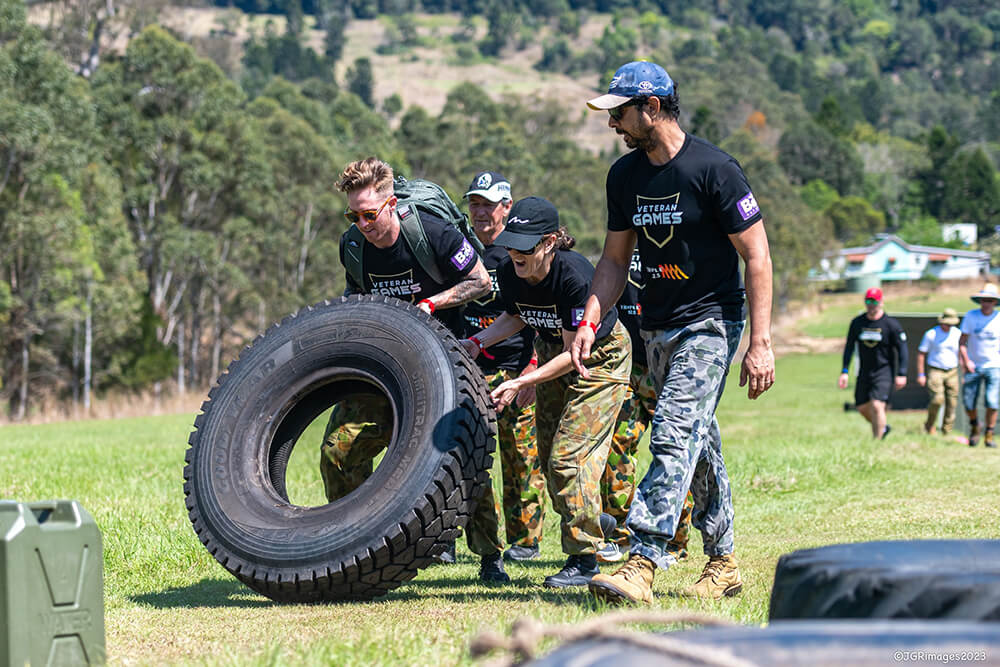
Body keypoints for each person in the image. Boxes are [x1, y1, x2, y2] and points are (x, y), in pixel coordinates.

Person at [572, 61, 775, 605]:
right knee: (697, 439)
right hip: (655, 328)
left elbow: (756, 256)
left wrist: (760, 342)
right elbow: (615, 260)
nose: (613, 122)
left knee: (672, 430)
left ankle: (643, 558)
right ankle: (725, 561)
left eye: (620, 112)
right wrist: (590, 317)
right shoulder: (625, 176)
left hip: (710, 322)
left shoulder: (715, 169)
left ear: (652, 108)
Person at [319, 157, 510, 583]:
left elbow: (482, 282)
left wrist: (432, 304)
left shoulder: (432, 233)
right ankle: (356, 547)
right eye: (354, 215)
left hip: (445, 360)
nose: (362, 223)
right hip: (386, 364)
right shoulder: (353, 246)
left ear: (391, 205)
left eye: (369, 214)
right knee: (337, 452)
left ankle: (489, 555)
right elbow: (356, 298)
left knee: (464, 457)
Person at [462, 196, 632, 589]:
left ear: (551, 242)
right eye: (511, 242)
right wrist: (478, 342)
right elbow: (516, 314)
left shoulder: (574, 275)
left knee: (568, 457)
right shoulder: (508, 270)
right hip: (552, 351)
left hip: (598, 358)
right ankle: (597, 520)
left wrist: (525, 381)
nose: (515, 252)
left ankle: (585, 558)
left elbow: (576, 353)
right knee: (546, 456)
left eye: (525, 245)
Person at [462, 171, 548, 562]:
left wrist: (530, 371)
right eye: (475, 204)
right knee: (471, 456)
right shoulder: (462, 252)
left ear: (506, 208)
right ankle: (483, 545)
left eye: (489, 205)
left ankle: (525, 541)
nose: (481, 213)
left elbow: (538, 315)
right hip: (472, 371)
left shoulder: (522, 252)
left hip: (516, 369)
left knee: (521, 458)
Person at [598, 247, 693, 565]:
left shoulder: (677, 250)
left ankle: (675, 541)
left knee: (674, 451)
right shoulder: (619, 251)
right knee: (616, 447)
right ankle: (621, 536)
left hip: (667, 367)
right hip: (628, 369)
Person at [838, 287, 908, 439]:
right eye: (868, 301)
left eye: (874, 301)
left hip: (884, 371)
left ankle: (877, 440)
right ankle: (883, 427)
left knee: (877, 405)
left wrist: (902, 373)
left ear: (881, 302)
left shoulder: (891, 324)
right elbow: (849, 348)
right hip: (864, 371)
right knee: (862, 407)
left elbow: (902, 349)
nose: (871, 305)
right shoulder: (857, 323)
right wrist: (844, 371)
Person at [959, 283, 1000, 448]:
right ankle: (975, 426)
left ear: (995, 302)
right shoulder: (971, 316)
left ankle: (989, 434)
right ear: (980, 301)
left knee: (992, 402)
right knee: (968, 403)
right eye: (984, 300)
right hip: (973, 366)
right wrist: (966, 361)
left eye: (990, 300)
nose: (987, 303)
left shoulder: (998, 318)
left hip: (994, 366)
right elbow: (962, 342)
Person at [916, 308, 961, 435]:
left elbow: (961, 354)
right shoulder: (931, 334)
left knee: (952, 402)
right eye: (946, 324)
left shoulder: (957, 334)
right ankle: (929, 425)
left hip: (952, 370)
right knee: (937, 399)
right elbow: (921, 354)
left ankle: (947, 430)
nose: (948, 326)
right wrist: (921, 374)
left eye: (951, 324)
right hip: (935, 369)